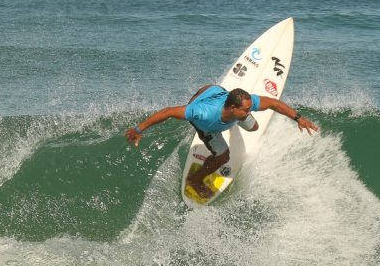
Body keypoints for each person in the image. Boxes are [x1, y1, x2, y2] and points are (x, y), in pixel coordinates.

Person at [125, 85, 318, 199]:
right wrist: (138, 129)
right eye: (245, 110)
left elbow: (274, 103)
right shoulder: (200, 114)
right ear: (233, 107)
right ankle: (195, 179)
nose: (249, 111)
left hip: (215, 91)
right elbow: (167, 112)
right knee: (223, 156)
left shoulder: (242, 106)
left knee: (254, 127)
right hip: (207, 121)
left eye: (250, 108)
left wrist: (298, 118)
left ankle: (232, 123)